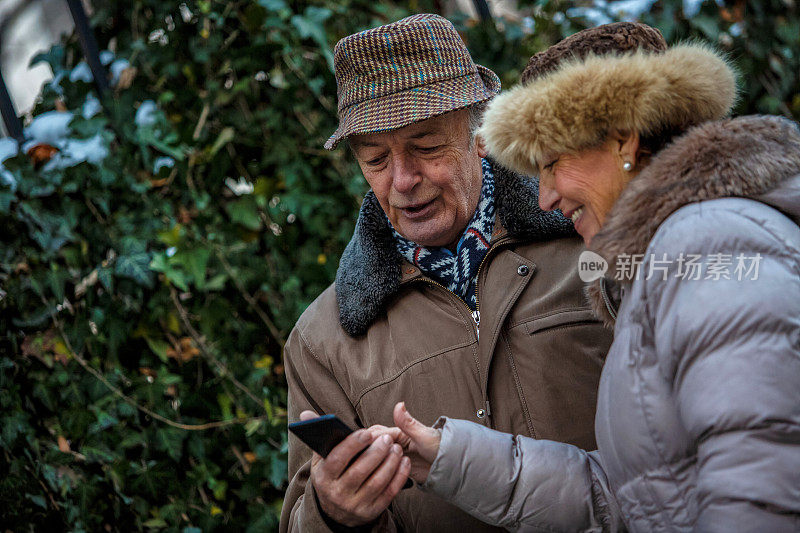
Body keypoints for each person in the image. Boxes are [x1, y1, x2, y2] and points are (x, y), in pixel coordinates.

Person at [387, 25, 800, 532]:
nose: (545, 199)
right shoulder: (674, 254)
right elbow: (638, 498)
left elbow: (763, 482)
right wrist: (448, 458)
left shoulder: (709, 243)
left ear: (625, 138)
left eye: (553, 163)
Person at [278, 15, 659, 533]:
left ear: (481, 133)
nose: (403, 181)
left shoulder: (595, 246)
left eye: (427, 147)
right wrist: (333, 514)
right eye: (375, 159)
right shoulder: (323, 341)